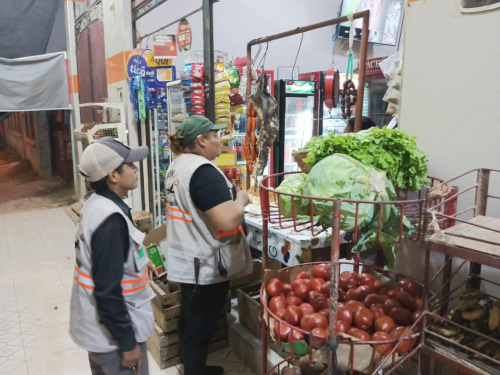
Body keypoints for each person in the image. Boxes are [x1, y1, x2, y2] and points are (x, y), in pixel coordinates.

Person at [165, 116, 253, 375]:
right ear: (201, 140)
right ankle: (194, 371)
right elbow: (227, 221)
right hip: (203, 264)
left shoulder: (178, 165)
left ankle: (195, 368)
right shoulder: (202, 171)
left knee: (190, 319)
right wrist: (241, 200)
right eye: (214, 135)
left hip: (188, 258)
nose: (219, 139)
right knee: (199, 325)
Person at [70, 137, 157, 375]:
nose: (136, 168)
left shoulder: (97, 204)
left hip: (97, 333)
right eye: (130, 164)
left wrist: (140, 259)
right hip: (113, 342)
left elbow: (107, 256)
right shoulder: (110, 219)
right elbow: (107, 291)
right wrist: (127, 344)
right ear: (113, 176)